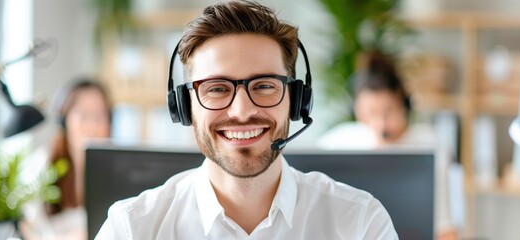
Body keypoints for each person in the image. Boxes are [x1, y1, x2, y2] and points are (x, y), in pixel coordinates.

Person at [96, 1, 397, 239]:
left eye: (264, 86)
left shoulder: (360, 224)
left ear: (296, 100)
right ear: (185, 106)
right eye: (216, 88)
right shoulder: (132, 229)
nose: (241, 111)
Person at [318, 52, 460, 240]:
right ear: (357, 110)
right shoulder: (336, 141)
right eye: (371, 113)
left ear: (404, 104)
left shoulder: (428, 143)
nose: (381, 124)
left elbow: (445, 227)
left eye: (388, 112)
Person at [46, 78, 112, 238]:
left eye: (99, 116)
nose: (93, 126)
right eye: (84, 116)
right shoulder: (43, 168)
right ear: (63, 122)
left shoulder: (117, 173)